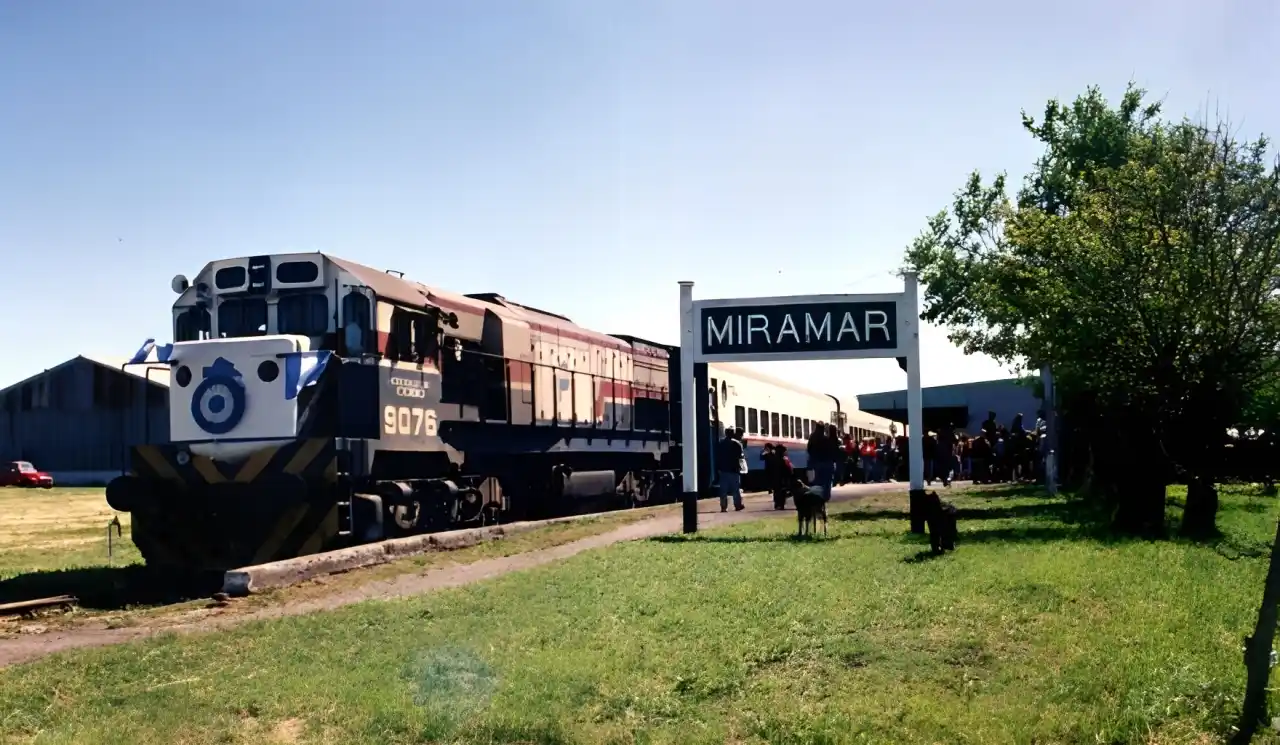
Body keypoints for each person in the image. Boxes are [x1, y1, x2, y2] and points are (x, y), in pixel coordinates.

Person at [715, 427, 745, 512]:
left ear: (725, 433)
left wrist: (718, 468)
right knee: (735, 489)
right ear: (733, 433)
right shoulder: (737, 444)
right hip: (734, 470)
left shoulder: (721, 443)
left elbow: (717, 456)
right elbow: (741, 457)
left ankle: (723, 507)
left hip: (723, 469)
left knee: (723, 490)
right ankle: (737, 505)